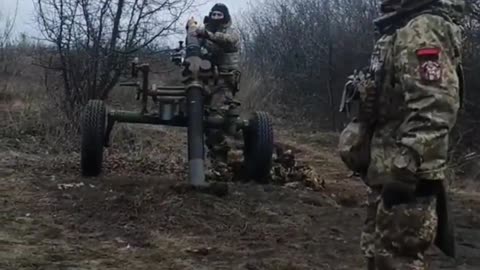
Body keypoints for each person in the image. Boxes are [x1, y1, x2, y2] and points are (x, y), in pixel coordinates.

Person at [338, 0, 465, 269]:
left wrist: (406, 167)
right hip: (388, 170)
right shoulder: (400, 29)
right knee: (380, 255)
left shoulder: (423, 29)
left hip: (405, 177)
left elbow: (435, 106)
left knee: (397, 260)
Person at [194, 3, 242, 168]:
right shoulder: (205, 34)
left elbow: (226, 41)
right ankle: (211, 159)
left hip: (224, 82)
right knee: (201, 117)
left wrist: (206, 34)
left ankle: (222, 161)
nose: (215, 18)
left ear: (225, 17)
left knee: (215, 120)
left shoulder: (231, 33)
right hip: (205, 80)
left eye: (219, 15)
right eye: (213, 15)